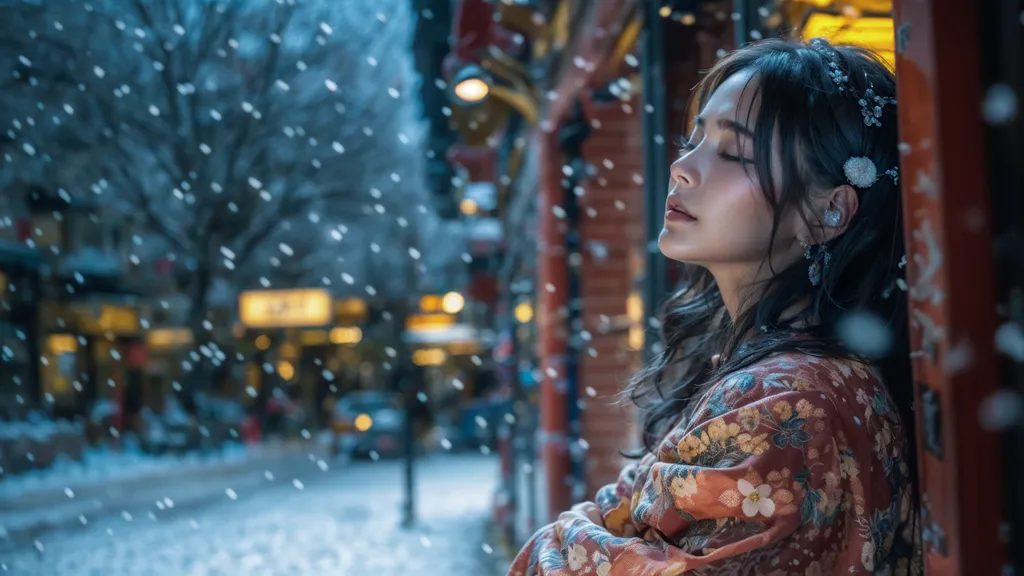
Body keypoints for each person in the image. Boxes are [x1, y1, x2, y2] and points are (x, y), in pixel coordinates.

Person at [508, 38, 920, 575]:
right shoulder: (798, 374)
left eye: (732, 153)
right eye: (694, 138)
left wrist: (569, 538)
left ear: (830, 212)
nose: (681, 166)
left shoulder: (786, 399)